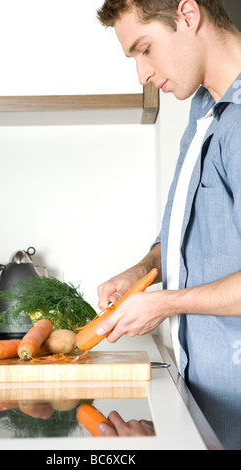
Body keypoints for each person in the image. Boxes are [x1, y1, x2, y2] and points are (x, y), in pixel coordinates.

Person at [95, 0, 241, 447]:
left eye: (145, 49)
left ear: (187, 15)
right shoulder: (203, 112)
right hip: (206, 402)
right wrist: (142, 272)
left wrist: (162, 304)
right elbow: (178, 238)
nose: (142, 75)